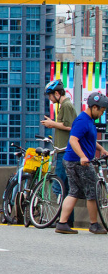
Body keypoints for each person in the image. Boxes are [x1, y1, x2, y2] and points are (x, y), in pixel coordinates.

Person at [55, 91, 108, 235]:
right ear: (94, 107)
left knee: (74, 192)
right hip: (78, 162)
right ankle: (94, 224)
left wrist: (101, 148)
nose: (102, 114)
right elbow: (73, 139)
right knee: (93, 191)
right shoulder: (82, 120)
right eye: (102, 111)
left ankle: (62, 223)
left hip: (73, 161)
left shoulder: (89, 120)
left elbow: (89, 139)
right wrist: (83, 157)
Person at [41, 79, 76, 193]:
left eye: (50, 96)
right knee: (65, 188)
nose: (50, 99)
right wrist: (53, 123)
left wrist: (52, 124)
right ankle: (65, 211)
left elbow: (70, 126)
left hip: (64, 151)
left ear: (57, 93)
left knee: (58, 187)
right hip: (62, 151)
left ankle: (62, 211)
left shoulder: (66, 105)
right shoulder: (63, 106)